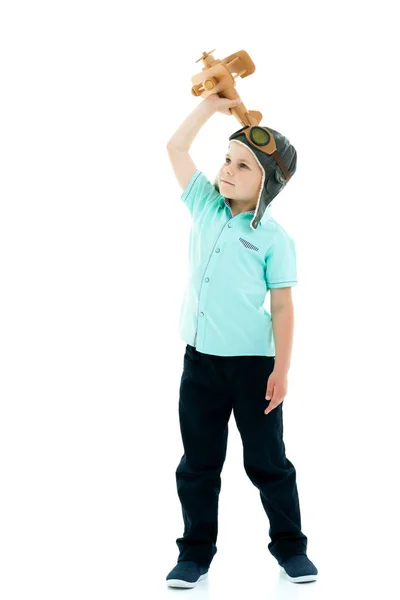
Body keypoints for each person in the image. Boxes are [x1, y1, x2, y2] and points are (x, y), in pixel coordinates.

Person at [165, 94, 318, 588]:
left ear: (267, 183)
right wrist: (212, 106)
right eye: (227, 159)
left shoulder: (275, 239)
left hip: (255, 368)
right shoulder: (206, 207)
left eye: (243, 166)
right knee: (199, 464)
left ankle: (291, 548)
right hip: (201, 365)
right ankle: (194, 553)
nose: (227, 170)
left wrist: (283, 370)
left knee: (268, 462)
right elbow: (175, 145)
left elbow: (282, 307)